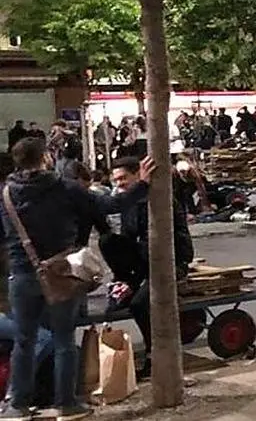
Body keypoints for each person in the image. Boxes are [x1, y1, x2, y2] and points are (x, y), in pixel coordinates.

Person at [0, 138, 151, 421]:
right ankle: (66, 404)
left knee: (24, 341)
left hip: (21, 275)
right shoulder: (65, 188)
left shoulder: (5, 194)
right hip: (61, 273)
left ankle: (17, 406)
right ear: (45, 157)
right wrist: (142, 183)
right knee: (63, 340)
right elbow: (110, 204)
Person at [100, 156, 194, 381]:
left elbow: (165, 244)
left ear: (139, 175)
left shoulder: (158, 199)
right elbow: (127, 240)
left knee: (140, 304)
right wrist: (125, 278)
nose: (119, 184)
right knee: (107, 240)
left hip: (169, 262)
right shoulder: (129, 202)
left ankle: (154, 355)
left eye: (123, 178)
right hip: (144, 262)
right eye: (116, 180)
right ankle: (126, 283)